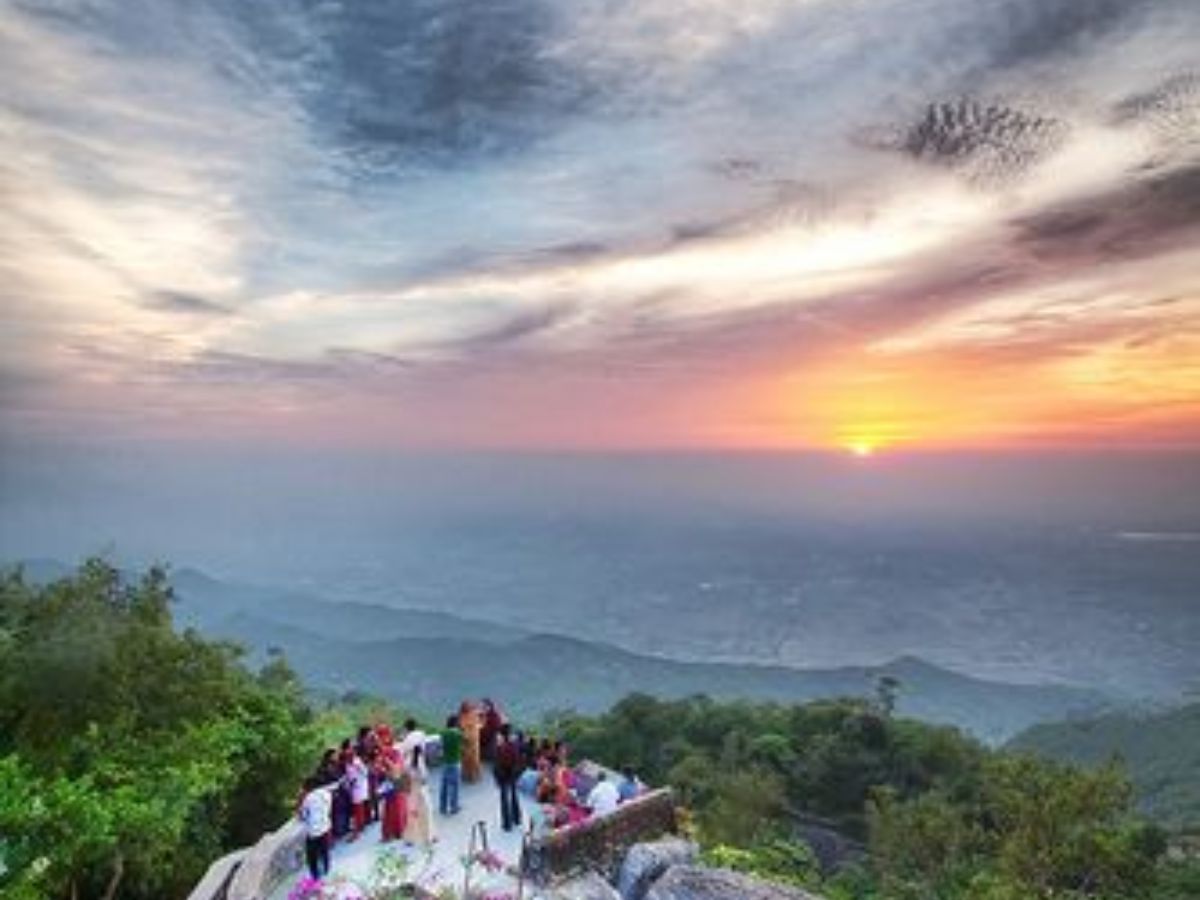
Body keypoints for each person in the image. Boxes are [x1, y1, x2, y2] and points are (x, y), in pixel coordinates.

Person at [377, 727, 408, 842]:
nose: (380, 739)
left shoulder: (392, 750)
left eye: (381, 736)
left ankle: (396, 831)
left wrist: (385, 763)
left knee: (395, 805)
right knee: (395, 805)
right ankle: (396, 831)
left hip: (396, 779)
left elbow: (396, 767)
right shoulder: (387, 750)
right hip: (397, 779)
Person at [298, 777, 333, 880]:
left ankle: (315, 876)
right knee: (324, 851)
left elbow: (303, 816)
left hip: (313, 831)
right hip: (325, 826)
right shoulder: (327, 793)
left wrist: (300, 799)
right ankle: (326, 870)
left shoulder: (308, 798)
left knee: (312, 856)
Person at [402, 743, 437, 846]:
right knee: (426, 814)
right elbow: (424, 779)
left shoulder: (406, 762)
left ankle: (410, 838)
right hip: (421, 791)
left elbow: (404, 778)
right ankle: (428, 838)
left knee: (412, 814)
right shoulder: (420, 763)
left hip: (411, 791)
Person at [494, 723, 523, 832]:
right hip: (513, 773)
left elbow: (497, 763)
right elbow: (518, 759)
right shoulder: (514, 744)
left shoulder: (501, 746)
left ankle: (507, 824)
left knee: (505, 798)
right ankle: (517, 819)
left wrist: (497, 776)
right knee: (514, 796)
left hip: (504, 774)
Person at [439, 713, 463, 815]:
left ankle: (442, 807)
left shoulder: (443, 733)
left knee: (444, 786)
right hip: (455, 762)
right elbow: (466, 742)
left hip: (445, 762)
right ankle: (454, 807)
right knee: (454, 786)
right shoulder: (458, 734)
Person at [344, 748, 370, 840]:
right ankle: (360, 826)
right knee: (357, 808)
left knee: (358, 808)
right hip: (353, 788)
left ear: (353, 755)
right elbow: (348, 776)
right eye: (347, 756)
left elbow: (365, 773)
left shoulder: (357, 763)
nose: (348, 758)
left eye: (350, 756)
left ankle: (358, 829)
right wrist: (348, 783)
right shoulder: (347, 764)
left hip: (359, 787)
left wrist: (357, 776)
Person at [460, 701, 483, 784]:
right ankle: (469, 776)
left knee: (473, 760)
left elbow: (480, 720)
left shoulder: (472, 714)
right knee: (468, 760)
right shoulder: (463, 716)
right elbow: (463, 727)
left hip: (473, 740)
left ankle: (473, 777)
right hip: (468, 740)